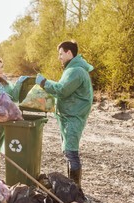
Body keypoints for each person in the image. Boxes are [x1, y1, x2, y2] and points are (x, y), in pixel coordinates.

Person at [35, 40, 94, 191]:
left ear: (69, 53)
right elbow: (64, 88)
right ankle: (72, 186)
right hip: (69, 116)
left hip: (73, 117)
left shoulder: (76, 71)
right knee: (68, 151)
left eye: (61, 54)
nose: (59, 57)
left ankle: (75, 189)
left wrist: (43, 82)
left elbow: (61, 90)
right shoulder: (73, 69)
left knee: (71, 153)